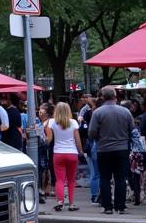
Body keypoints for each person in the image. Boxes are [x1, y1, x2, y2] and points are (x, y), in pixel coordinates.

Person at [88, 86, 135, 215]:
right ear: (115, 96)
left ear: (103, 97)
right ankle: (121, 206)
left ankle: (107, 206)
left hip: (104, 149)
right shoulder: (125, 112)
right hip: (122, 148)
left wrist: (98, 137)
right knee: (120, 178)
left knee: (105, 178)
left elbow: (91, 132)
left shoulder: (98, 112)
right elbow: (132, 129)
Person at [45, 102, 81, 212]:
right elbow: (77, 140)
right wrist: (81, 151)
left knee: (59, 180)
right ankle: (71, 204)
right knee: (71, 180)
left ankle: (60, 202)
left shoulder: (51, 122)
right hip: (72, 153)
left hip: (58, 153)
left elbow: (49, 140)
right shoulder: (73, 122)